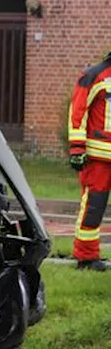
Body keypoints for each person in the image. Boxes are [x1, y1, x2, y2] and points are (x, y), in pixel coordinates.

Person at [68, 51, 111, 271]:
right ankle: (86, 257)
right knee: (94, 206)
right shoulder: (94, 75)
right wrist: (77, 148)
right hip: (99, 157)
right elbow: (78, 111)